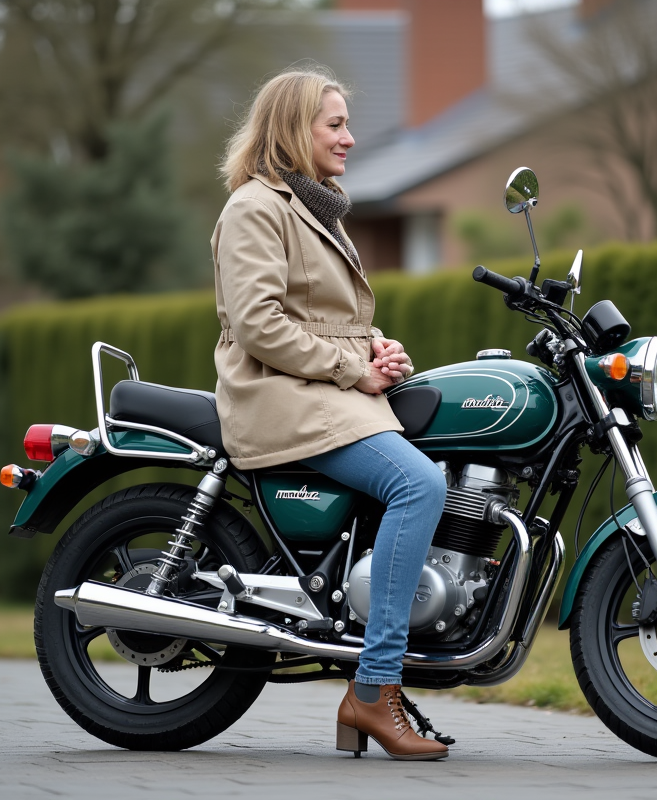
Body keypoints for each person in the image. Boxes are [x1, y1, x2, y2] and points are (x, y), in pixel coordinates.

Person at [212, 67, 450, 761]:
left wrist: (379, 346)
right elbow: (259, 324)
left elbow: (324, 315)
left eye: (347, 124)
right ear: (295, 130)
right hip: (279, 395)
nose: (349, 137)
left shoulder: (319, 208)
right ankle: (374, 689)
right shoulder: (256, 207)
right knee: (419, 484)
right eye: (335, 125)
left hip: (322, 389)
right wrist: (354, 368)